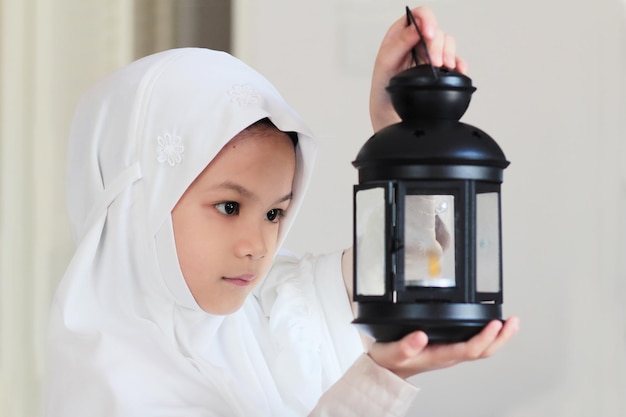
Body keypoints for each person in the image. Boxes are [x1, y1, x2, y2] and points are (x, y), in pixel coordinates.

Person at [44, 6, 519, 417]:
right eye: (229, 206)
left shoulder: (269, 306)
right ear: (134, 204)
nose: (259, 247)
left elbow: (414, 266)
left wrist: (399, 136)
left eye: (275, 214)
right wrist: (379, 379)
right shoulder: (108, 387)